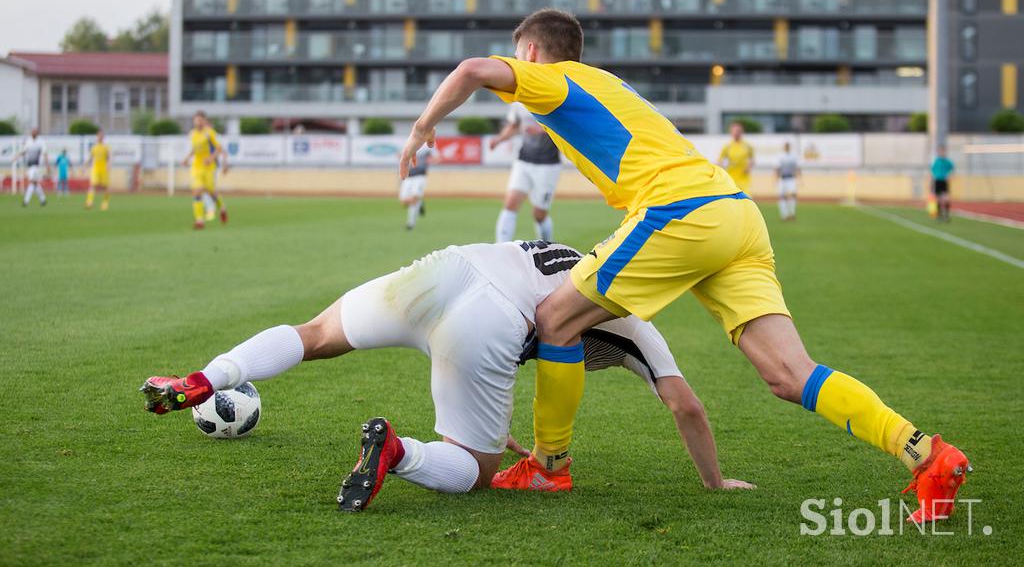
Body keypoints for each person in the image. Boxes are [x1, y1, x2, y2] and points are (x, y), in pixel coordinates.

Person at [398, 8, 969, 523]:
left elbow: (472, 70)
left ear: (529, 52)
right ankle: (926, 454)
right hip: (737, 217)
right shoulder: (604, 84)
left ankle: (549, 465)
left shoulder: (553, 78)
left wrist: (424, 127)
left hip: (679, 213)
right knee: (789, 375)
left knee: (555, 320)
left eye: (516, 51)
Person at [140, 241, 754, 512]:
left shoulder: (577, 254)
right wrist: (715, 482)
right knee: (477, 468)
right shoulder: (636, 323)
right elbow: (687, 407)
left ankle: (209, 376)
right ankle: (399, 452)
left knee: (316, 335)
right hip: (490, 319)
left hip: (450, 268)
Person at [489, 102, 562, 242]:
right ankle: (501, 248)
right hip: (523, 160)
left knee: (539, 214)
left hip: (548, 164)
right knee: (510, 203)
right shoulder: (517, 103)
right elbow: (514, 126)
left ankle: (546, 246)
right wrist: (498, 140)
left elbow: (562, 125)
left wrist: (540, 130)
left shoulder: (549, 95)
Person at [182, 111, 228, 230]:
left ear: (204, 121)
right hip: (196, 166)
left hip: (209, 167)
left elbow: (219, 148)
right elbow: (195, 149)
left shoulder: (209, 133)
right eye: (196, 120)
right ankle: (199, 220)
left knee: (211, 192)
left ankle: (222, 208)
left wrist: (211, 158)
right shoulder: (192, 134)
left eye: (200, 120)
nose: (198, 122)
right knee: (197, 191)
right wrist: (187, 159)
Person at [399, 145, 434, 230]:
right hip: (408, 176)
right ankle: (420, 203)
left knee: (414, 200)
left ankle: (410, 223)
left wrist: (430, 161)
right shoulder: (409, 141)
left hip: (420, 176)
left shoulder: (428, 143)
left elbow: (436, 156)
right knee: (404, 201)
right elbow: (401, 156)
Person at [14, 128, 48, 207]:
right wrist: (16, 157)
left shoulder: (41, 142)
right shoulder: (28, 141)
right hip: (29, 166)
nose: (33, 133)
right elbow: (24, 151)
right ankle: (43, 200)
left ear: (37, 133)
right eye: (32, 131)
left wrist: (47, 165)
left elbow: (45, 153)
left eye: (35, 132)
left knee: (32, 182)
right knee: (35, 184)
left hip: (36, 166)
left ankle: (26, 201)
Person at [718, 122, 754, 194]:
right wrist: (722, 171)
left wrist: (748, 167)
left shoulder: (747, 145)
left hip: (744, 177)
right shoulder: (727, 146)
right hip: (731, 177)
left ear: (742, 132)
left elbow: (752, 158)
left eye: (738, 131)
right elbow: (720, 160)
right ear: (731, 132)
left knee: (746, 198)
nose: (736, 133)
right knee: (733, 198)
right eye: (734, 131)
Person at [85, 130, 111, 211]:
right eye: (99, 135)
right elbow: (90, 157)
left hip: (104, 169)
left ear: (103, 137)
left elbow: (109, 157)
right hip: (96, 169)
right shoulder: (94, 147)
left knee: (105, 187)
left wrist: (109, 165)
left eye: (101, 136)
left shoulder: (106, 147)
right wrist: (85, 165)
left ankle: (105, 203)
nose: (100, 137)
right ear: (97, 137)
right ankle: (89, 202)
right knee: (92, 185)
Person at [776, 141, 800, 221]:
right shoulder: (780, 156)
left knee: (792, 196)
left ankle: (792, 214)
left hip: (791, 178)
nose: (787, 147)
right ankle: (784, 215)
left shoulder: (793, 156)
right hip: (782, 179)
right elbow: (777, 168)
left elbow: (797, 168)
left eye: (788, 146)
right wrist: (776, 179)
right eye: (786, 146)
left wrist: (799, 178)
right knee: (782, 197)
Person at [930, 146, 954, 222]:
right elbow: (932, 172)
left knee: (946, 199)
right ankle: (939, 215)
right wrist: (931, 182)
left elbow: (952, 169)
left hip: (944, 181)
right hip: (937, 181)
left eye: (943, 151)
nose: (941, 153)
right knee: (939, 200)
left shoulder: (947, 162)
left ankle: (946, 215)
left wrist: (949, 176)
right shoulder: (936, 161)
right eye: (940, 151)